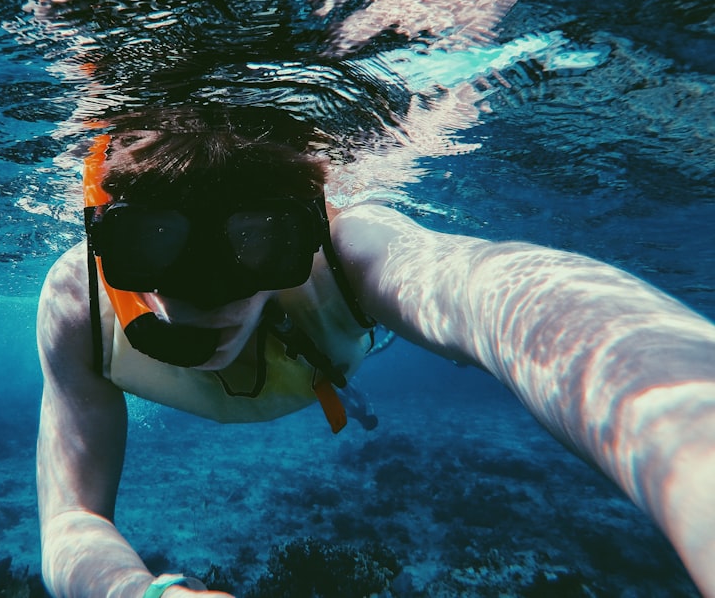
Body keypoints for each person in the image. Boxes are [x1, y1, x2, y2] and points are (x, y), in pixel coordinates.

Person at [36, 106, 715, 598]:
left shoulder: (350, 251)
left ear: (304, 232)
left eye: (262, 242)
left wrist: (692, 447)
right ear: (106, 241)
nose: (209, 294)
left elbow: (510, 298)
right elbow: (70, 517)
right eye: (152, 243)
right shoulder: (78, 306)